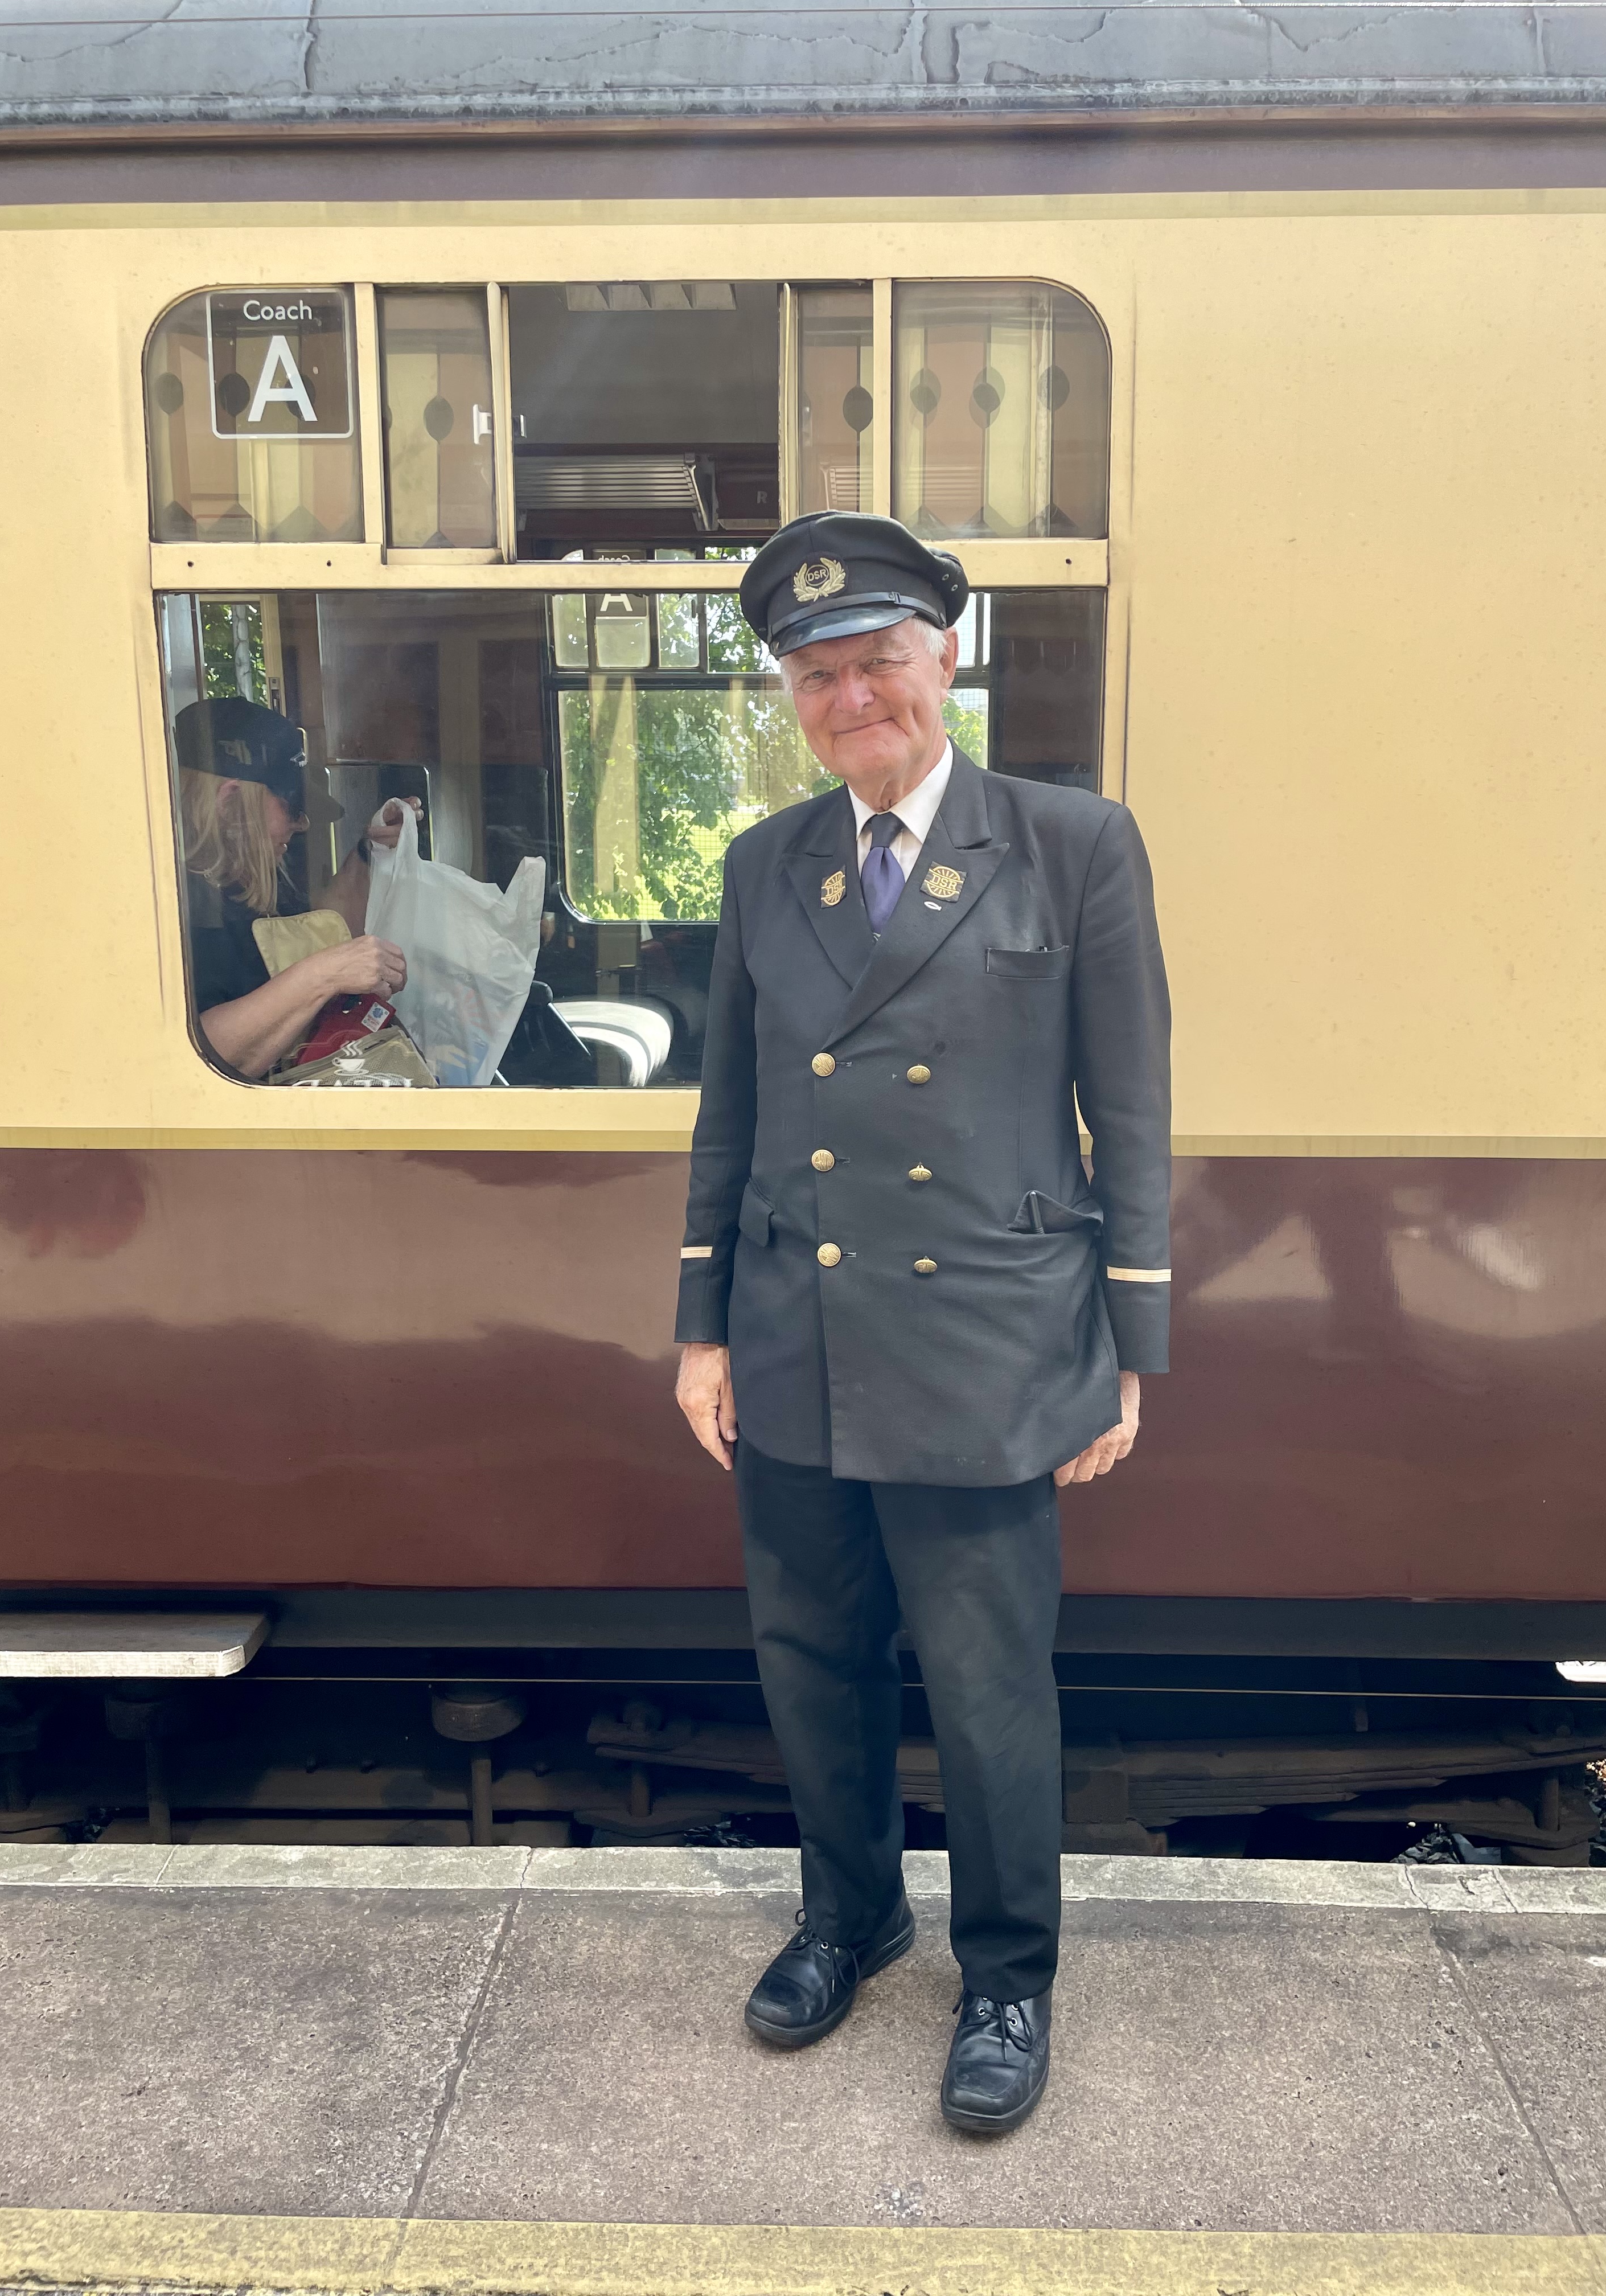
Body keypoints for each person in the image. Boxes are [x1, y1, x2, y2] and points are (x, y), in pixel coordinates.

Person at [675, 511, 1171, 2135]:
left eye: (877, 661)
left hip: (988, 1349)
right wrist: (702, 1329)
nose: (849, 699)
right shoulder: (767, 864)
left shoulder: (1072, 844)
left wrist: (1129, 1351)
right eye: (815, 676)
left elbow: (1130, 1115)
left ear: (944, 657)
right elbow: (732, 1117)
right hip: (797, 1337)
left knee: (985, 1682)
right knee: (812, 1658)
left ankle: (1008, 1976)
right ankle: (852, 1917)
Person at [173, 696, 412, 1080]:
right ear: (230, 802)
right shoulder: (176, 905)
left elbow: (321, 926)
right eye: (293, 806)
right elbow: (201, 1056)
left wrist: (371, 850)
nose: (303, 825)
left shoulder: (253, 877)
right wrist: (327, 974)